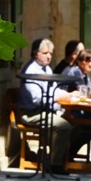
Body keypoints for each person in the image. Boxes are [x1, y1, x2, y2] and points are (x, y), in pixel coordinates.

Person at [19, 37, 79, 173]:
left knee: (74, 121)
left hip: (46, 110)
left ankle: (60, 159)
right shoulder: (31, 71)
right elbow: (37, 98)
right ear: (35, 54)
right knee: (63, 127)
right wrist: (60, 98)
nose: (49, 57)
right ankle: (54, 165)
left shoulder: (46, 69)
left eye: (50, 54)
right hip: (32, 113)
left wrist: (68, 95)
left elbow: (52, 90)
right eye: (45, 53)